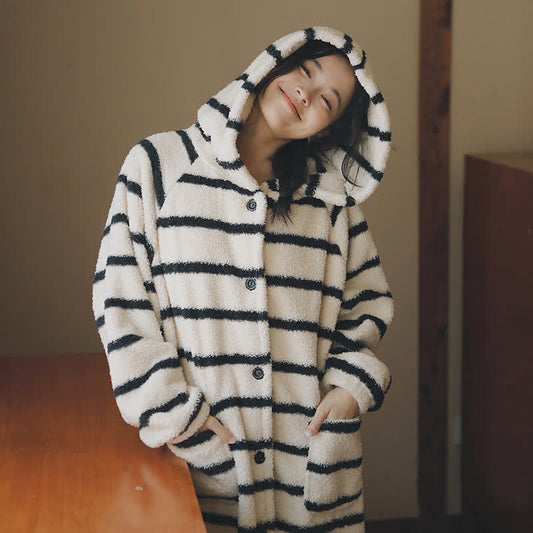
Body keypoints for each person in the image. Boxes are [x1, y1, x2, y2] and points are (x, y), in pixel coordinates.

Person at [92, 25, 394, 533]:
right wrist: (173, 414)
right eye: (305, 71)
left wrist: (349, 386)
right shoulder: (158, 166)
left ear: (326, 130)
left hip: (307, 466)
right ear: (273, 65)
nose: (307, 93)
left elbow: (366, 305)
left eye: (328, 100)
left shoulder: (331, 206)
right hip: (200, 463)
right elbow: (121, 301)